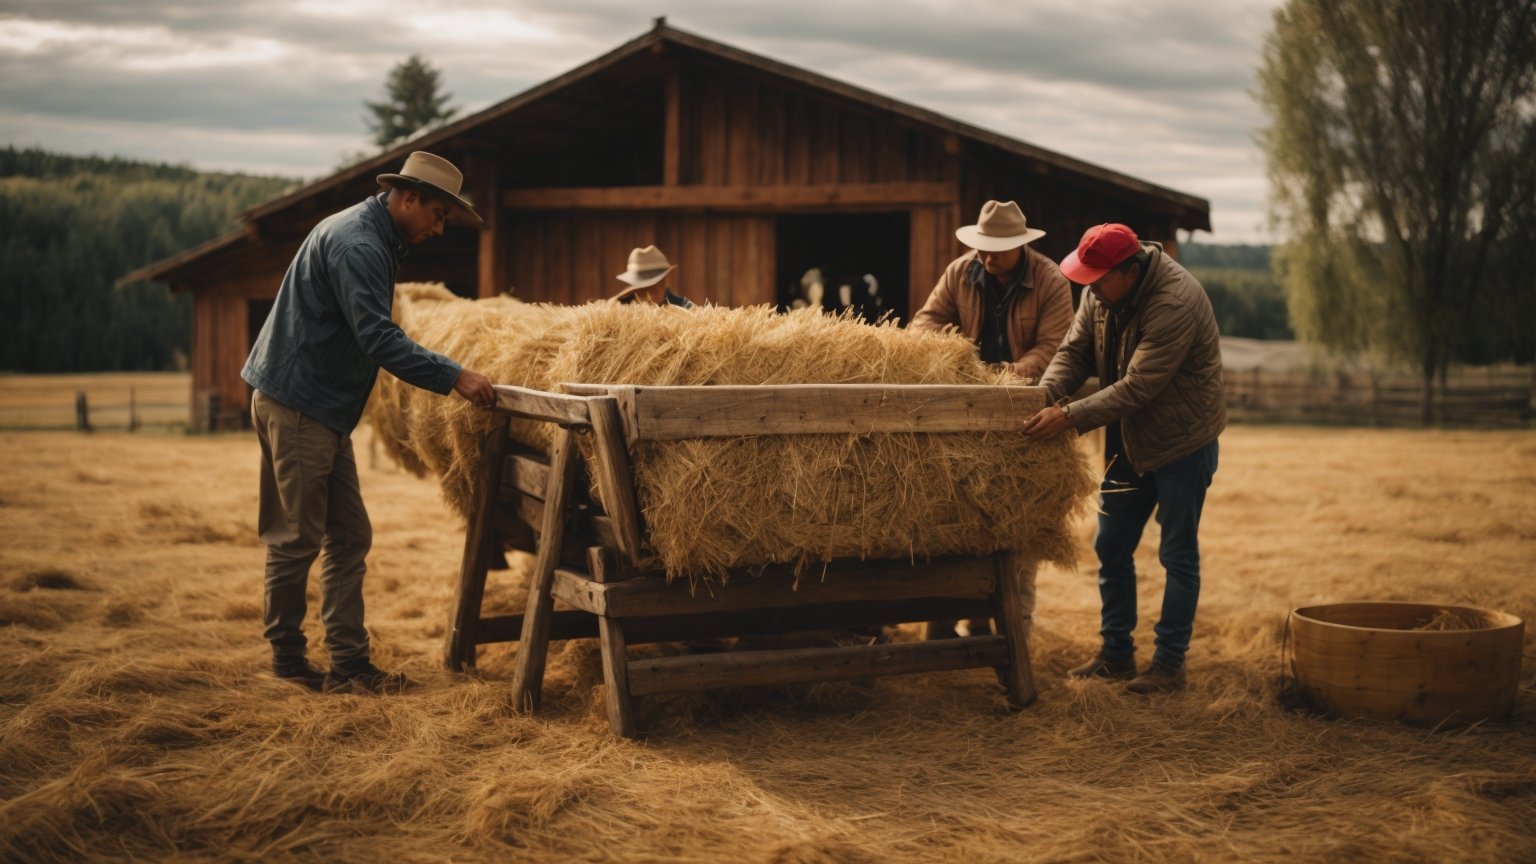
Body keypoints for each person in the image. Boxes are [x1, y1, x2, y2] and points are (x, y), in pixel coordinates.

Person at [242, 151, 497, 695]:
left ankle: (349, 664)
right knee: (296, 538)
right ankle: (288, 660)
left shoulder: (373, 237)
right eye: (437, 214)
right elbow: (377, 339)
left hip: (319, 407)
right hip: (299, 404)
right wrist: (456, 376)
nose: (438, 227)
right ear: (407, 199)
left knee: (349, 535)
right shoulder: (360, 244)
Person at [1021, 223, 1226, 694]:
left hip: (1181, 443)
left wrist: (1068, 416)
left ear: (1129, 272)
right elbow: (1073, 353)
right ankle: (1115, 654)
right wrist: (1040, 398)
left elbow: (1138, 387)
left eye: (1097, 279)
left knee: (1177, 554)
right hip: (1128, 440)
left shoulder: (1174, 302)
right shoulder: (1102, 291)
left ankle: (1169, 664)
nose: (1088, 288)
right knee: (1110, 546)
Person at [911, 199, 1074, 381]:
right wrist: (954, 347)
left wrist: (1012, 373)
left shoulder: (1051, 282)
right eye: (983, 249)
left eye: (998, 251)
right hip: (966, 383)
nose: (988, 259)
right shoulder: (959, 272)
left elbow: (1053, 345)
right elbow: (924, 323)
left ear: (1019, 245)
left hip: (1025, 389)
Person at [611, 245, 694, 307]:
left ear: (664, 281)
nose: (649, 294)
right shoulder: (620, 306)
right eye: (642, 287)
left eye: (653, 286)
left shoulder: (684, 306)